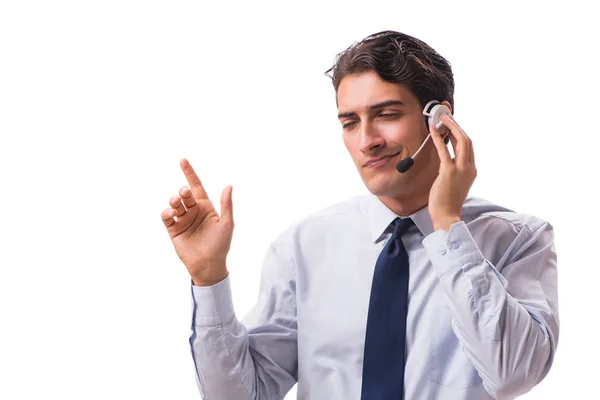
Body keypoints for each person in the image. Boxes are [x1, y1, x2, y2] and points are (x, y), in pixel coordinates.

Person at [160, 30, 559, 400]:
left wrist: (447, 226)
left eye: (386, 114)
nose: (367, 141)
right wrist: (209, 277)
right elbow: (241, 395)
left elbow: (513, 373)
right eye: (351, 122)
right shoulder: (304, 247)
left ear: (439, 120)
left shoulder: (518, 239)